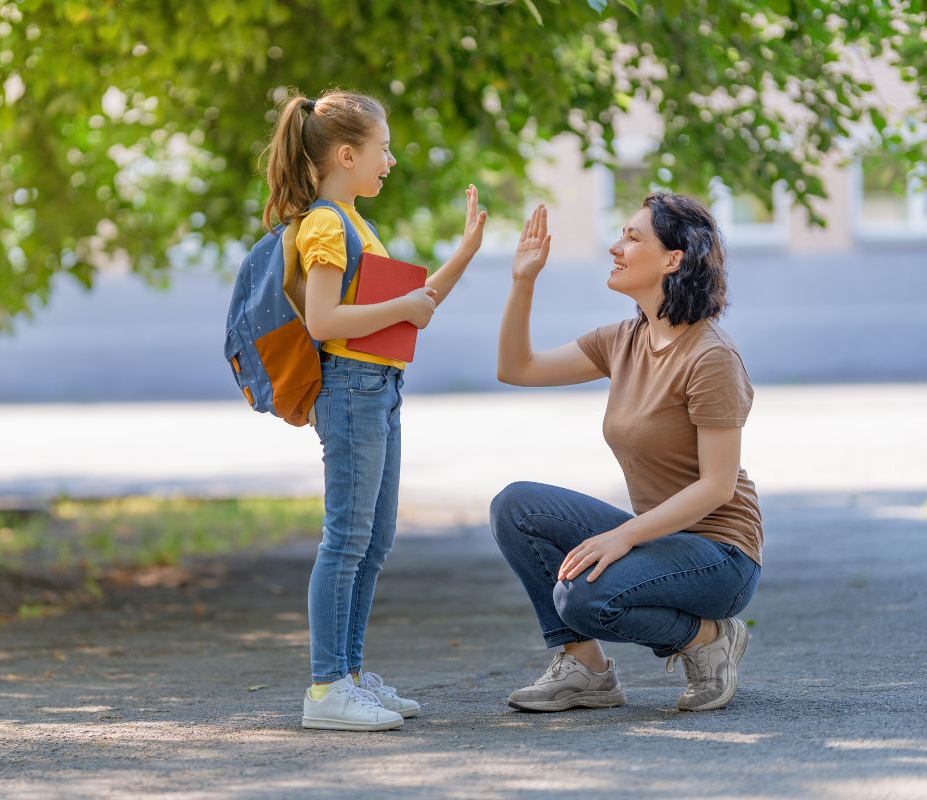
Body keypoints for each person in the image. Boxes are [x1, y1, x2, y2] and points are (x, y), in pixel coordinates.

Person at [262, 89, 486, 731]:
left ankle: (350, 674)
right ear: (347, 153)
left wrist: (465, 252)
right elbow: (326, 320)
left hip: (379, 389)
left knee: (374, 540)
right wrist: (401, 310)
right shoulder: (326, 224)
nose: (389, 161)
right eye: (383, 150)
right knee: (346, 541)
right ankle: (328, 690)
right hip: (352, 389)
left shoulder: (357, 223)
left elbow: (414, 303)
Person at [490, 192, 762, 713]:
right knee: (516, 506)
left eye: (633, 238)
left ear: (672, 260)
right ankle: (585, 670)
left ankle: (708, 638)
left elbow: (717, 486)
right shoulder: (623, 340)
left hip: (721, 557)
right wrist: (523, 279)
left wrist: (620, 537)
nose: (616, 247)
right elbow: (516, 368)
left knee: (583, 597)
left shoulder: (711, 357)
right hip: (661, 539)